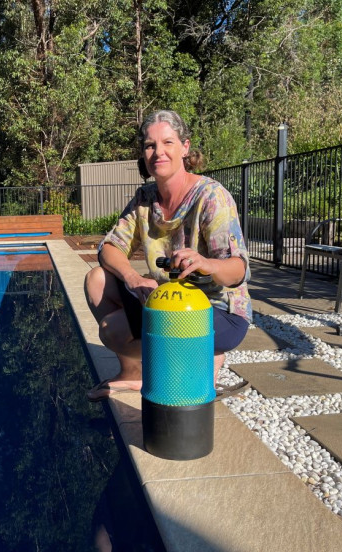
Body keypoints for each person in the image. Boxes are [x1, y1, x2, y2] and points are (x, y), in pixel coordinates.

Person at [84, 109, 252, 402]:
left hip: (218, 311)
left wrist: (207, 264)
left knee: (113, 330)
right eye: (150, 145)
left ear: (185, 147)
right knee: (96, 279)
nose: (158, 152)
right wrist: (134, 279)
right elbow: (110, 248)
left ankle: (200, 361)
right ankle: (134, 373)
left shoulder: (211, 196)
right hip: (167, 301)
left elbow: (238, 271)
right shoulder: (145, 199)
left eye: (167, 143)